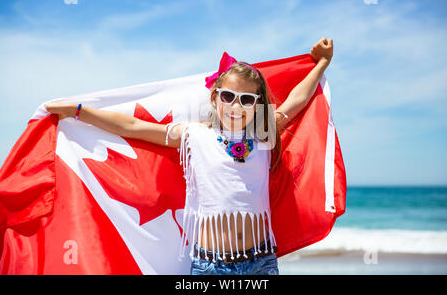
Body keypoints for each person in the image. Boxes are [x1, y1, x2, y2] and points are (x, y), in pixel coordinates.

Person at [46, 37, 333, 275]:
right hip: (210, 266)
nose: (236, 106)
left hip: (261, 263)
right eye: (228, 97)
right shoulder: (194, 136)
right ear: (214, 97)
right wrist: (79, 111)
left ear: (256, 105)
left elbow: (296, 101)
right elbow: (133, 126)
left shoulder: (261, 136)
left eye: (246, 100)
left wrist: (321, 64)